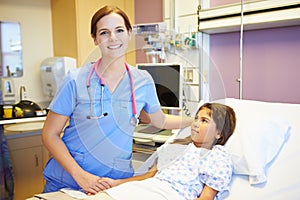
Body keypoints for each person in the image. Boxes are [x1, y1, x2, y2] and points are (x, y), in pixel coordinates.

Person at [41, 5, 193, 195]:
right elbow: (50, 134)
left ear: (129, 33)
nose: (113, 38)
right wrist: (79, 175)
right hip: (68, 181)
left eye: (119, 30)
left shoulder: (143, 80)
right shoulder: (75, 79)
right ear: (95, 39)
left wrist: (194, 121)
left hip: (114, 183)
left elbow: (158, 120)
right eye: (104, 32)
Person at [89, 103, 237, 200]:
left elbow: (206, 197)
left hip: (170, 195)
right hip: (145, 189)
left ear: (219, 133)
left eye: (204, 121)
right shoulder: (176, 147)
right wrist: (116, 183)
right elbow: (149, 176)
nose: (196, 124)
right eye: (196, 119)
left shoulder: (217, 155)